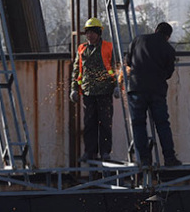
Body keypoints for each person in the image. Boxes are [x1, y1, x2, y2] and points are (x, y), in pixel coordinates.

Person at [125, 22, 181, 167]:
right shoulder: (168, 49)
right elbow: (169, 72)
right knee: (162, 124)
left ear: (156, 30)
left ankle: (144, 160)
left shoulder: (138, 40)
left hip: (136, 88)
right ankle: (169, 158)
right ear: (168, 36)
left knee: (138, 124)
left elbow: (128, 62)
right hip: (157, 90)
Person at [70, 17, 120, 162]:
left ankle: (105, 152)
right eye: (87, 32)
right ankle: (89, 151)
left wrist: (118, 85)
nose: (89, 35)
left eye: (92, 32)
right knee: (89, 124)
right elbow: (76, 70)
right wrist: (74, 88)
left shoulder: (108, 47)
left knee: (105, 123)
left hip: (105, 91)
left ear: (98, 33)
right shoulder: (82, 49)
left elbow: (116, 67)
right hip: (88, 92)